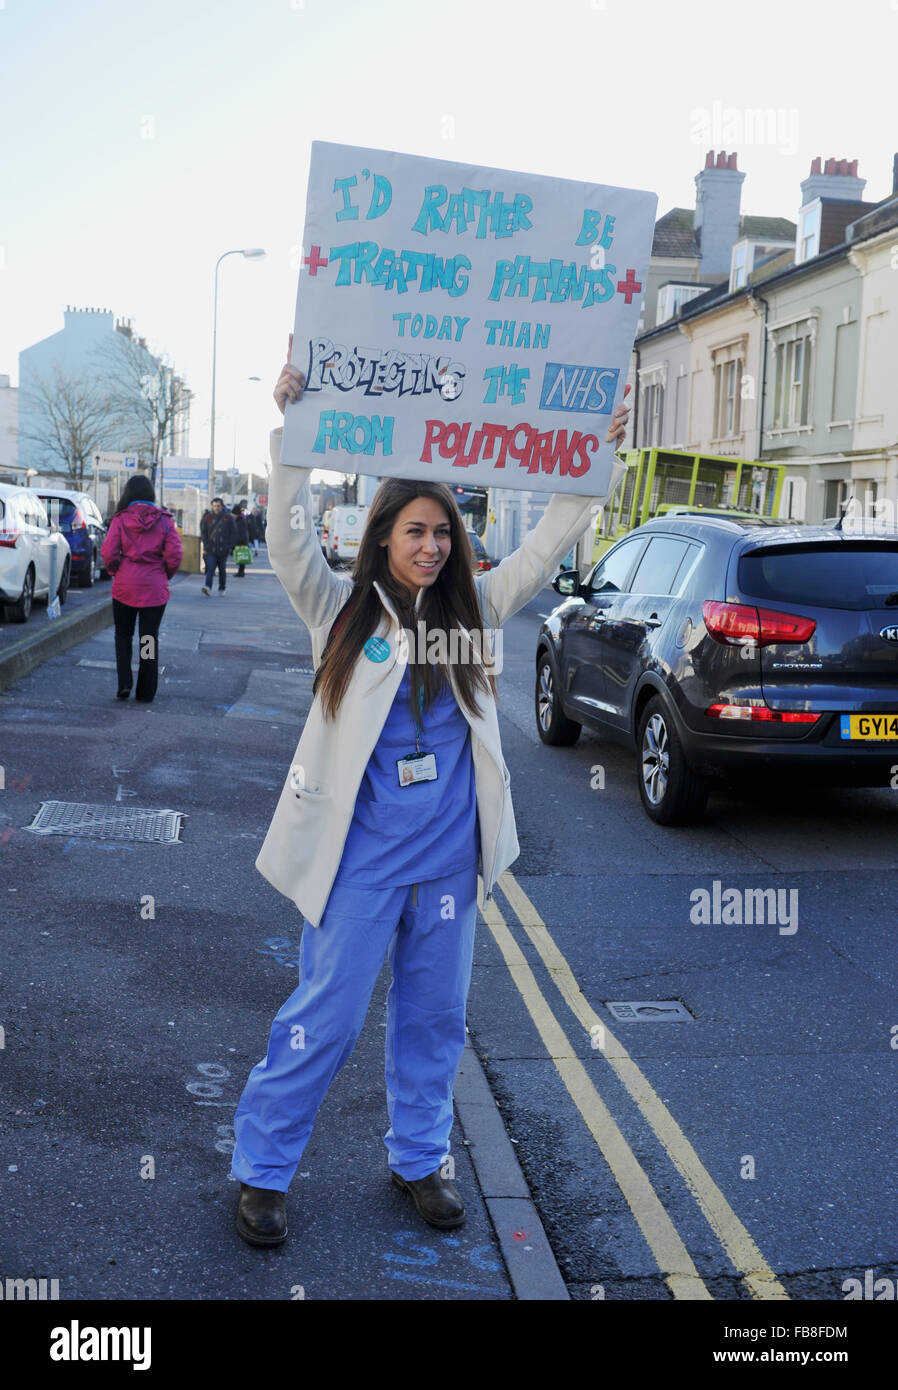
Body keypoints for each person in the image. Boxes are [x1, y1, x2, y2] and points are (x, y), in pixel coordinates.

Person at [230, 333, 630, 1247]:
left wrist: (594, 450)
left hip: (448, 868)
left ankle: (420, 1160)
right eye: (414, 530)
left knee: (436, 1022)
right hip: (360, 870)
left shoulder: (474, 616)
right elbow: (286, 539)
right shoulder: (342, 613)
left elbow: (544, 544)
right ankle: (261, 1171)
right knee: (320, 1022)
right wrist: (290, 431)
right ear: (382, 537)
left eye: (442, 531)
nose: (430, 544)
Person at [100, 474, 182, 703]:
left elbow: (108, 552)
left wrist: (117, 570)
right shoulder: (165, 520)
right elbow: (175, 554)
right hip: (154, 588)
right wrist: (164, 575)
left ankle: (124, 682)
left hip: (125, 586)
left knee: (123, 636)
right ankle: (146, 691)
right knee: (148, 639)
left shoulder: (121, 519)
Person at [201, 497, 236, 595]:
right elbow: (203, 532)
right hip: (210, 549)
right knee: (210, 568)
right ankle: (207, 587)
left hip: (223, 549)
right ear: (212, 506)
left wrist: (229, 547)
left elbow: (234, 533)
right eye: (215, 506)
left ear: (222, 506)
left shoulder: (228, 518)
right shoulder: (207, 517)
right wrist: (206, 543)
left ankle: (222, 588)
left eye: (218, 506)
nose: (216, 508)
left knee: (222, 570)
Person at [231, 500, 251, 577]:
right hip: (242, 541)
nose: (233, 515)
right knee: (240, 557)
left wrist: (236, 542)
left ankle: (241, 572)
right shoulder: (241, 519)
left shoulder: (240, 521)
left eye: (234, 514)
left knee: (241, 557)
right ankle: (241, 571)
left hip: (241, 542)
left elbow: (240, 533)